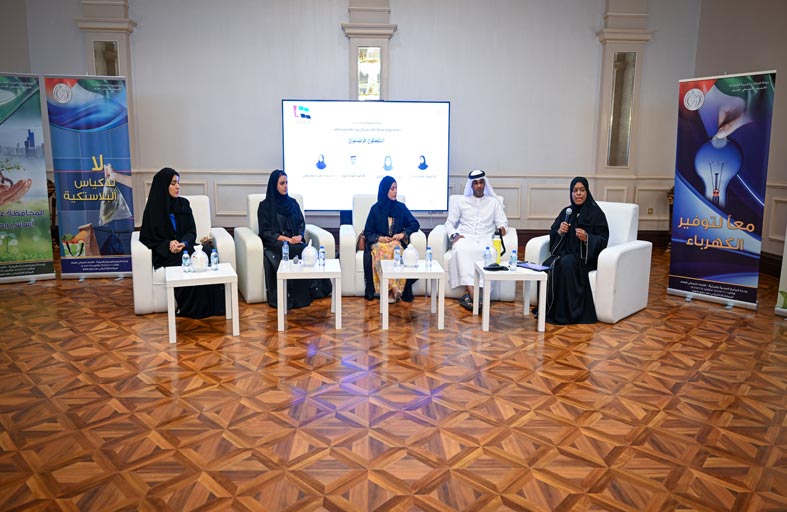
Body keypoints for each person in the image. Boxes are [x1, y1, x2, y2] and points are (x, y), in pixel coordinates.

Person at [139, 167, 225, 318]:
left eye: (178, 183)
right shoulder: (153, 209)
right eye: (173, 183)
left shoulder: (184, 204)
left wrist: (183, 243)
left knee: (207, 253)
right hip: (167, 253)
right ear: (163, 185)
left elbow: (192, 231)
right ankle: (192, 308)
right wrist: (168, 244)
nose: (178, 187)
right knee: (186, 260)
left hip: (186, 246)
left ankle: (215, 306)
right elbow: (147, 238)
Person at [258, 170, 330, 309]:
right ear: (274, 185)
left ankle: (304, 296)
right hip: (276, 242)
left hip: (294, 241)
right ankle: (290, 298)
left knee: (304, 249)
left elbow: (301, 224)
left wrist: (299, 236)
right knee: (293, 249)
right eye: (282, 183)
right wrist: (287, 239)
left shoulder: (293, 203)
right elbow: (265, 232)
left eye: (287, 182)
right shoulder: (265, 206)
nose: (285, 186)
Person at [542, 176, 609, 324]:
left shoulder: (596, 214)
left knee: (567, 264)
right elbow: (553, 235)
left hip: (584, 259)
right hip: (566, 255)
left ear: (587, 192)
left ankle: (568, 313)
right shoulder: (566, 212)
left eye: (582, 190)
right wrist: (559, 231)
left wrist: (587, 238)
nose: (578, 194)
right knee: (548, 264)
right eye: (575, 190)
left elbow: (603, 240)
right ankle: (550, 309)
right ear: (571, 193)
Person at [444, 169, 508, 311]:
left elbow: (503, 223)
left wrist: (502, 229)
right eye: (475, 183)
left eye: (481, 182)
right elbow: (449, 223)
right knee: (461, 249)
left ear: (485, 184)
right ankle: (475, 297)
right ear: (471, 185)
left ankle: (472, 297)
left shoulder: (493, 202)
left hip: (485, 238)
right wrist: (454, 235)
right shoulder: (461, 202)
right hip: (465, 237)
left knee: (490, 253)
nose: (479, 186)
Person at [363, 176, 419, 303]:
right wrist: (379, 238)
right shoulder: (375, 209)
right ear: (385, 190)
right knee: (380, 250)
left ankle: (391, 290)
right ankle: (394, 289)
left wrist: (403, 234)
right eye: (392, 189)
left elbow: (415, 224)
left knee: (396, 249)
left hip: (395, 244)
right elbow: (368, 231)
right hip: (379, 244)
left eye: (396, 188)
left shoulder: (401, 208)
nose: (395, 191)